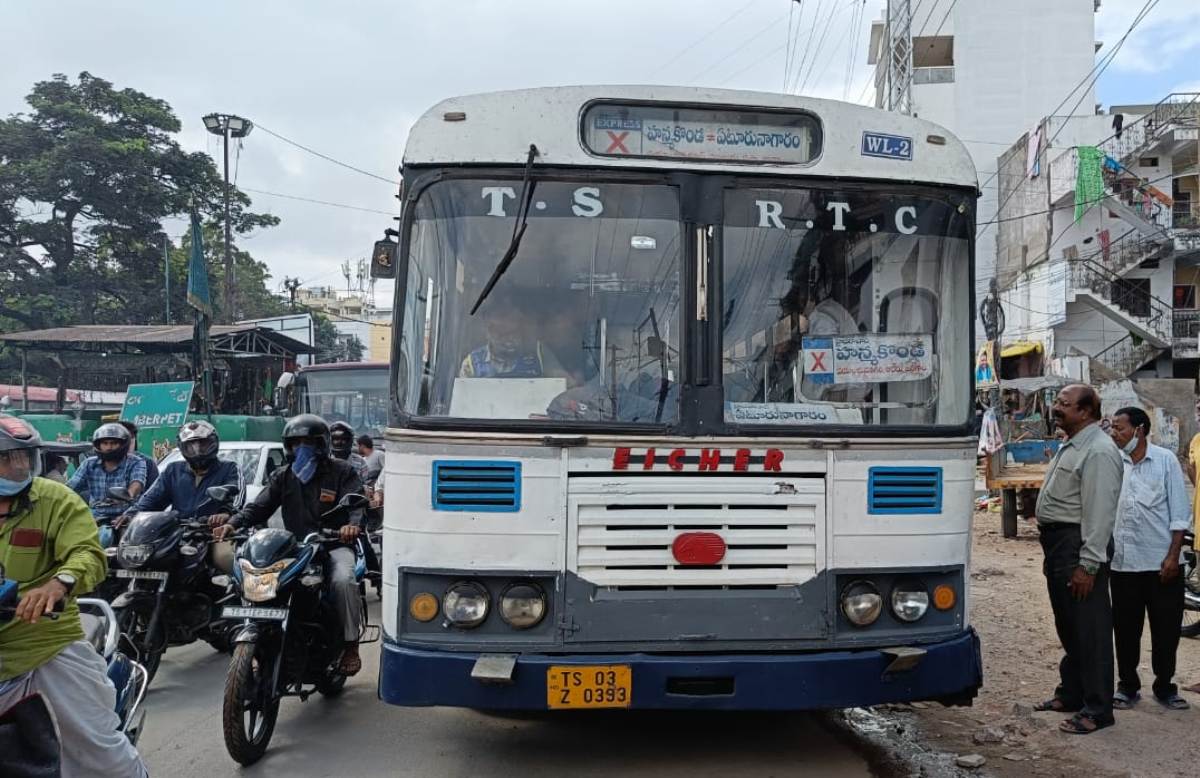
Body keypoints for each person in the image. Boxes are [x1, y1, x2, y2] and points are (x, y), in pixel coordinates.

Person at [0, 415, 149, 776]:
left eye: (24, 458)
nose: (19, 467)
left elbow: (87, 553)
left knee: (101, 753)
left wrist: (59, 583)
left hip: (44, 644)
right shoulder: (87, 472)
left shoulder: (54, 499)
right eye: (7, 459)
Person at [212, 415, 366, 675]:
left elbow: (358, 503)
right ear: (288, 446)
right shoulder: (282, 476)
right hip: (296, 548)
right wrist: (233, 524)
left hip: (333, 544)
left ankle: (351, 645)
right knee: (255, 579)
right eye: (296, 443)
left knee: (343, 580)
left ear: (322, 444)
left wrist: (351, 526)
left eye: (309, 442)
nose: (302, 449)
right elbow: (258, 507)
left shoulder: (342, 471)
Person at [1032, 384, 1123, 734]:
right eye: (1057, 402)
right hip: (1059, 546)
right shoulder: (1073, 443)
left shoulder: (1099, 451)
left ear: (1085, 412)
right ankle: (1072, 693)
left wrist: (1088, 564)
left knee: (1090, 629)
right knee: (1069, 625)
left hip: (1078, 548)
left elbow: (1100, 514)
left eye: (1064, 404)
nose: (1057, 408)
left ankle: (1098, 709)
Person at [1107, 407, 1191, 711]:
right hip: (1124, 564)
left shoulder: (1165, 461)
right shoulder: (1113, 461)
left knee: (1166, 631)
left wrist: (1172, 557)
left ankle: (1165, 687)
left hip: (1161, 565)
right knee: (1126, 629)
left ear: (1139, 430)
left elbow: (1180, 515)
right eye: (1113, 428)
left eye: (1119, 428)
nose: (1114, 434)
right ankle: (1127, 687)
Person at [130, 420, 241, 519]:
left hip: (216, 533)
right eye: (190, 446)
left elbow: (237, 497)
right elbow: (151, 499)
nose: (197, 450)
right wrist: (131, 515)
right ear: (182, 447)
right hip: (178, 532)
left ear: (214, 443)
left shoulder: (229, 468)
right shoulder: (173, 470)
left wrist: (226, 513)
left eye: (203, 444)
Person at [459, 301, 567, 378]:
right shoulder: (472, 363)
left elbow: (562, 384)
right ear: (488, 332)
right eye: (501, 333)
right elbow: (463, 402)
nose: (508, 339)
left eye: (512, 332)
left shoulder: (538, 353)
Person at [67, 423, 147, 523]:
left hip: (126, 515)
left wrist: (127, 495)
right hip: (96, 516)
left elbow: (137, 483)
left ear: (123, 444)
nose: (109, 447)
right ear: (98, 445)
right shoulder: (89, 463)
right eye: (105, 443)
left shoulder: (136, 462)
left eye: (113, 443)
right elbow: (70, 488)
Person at [117, 420, 159, 491]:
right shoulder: (102, 462)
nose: (126, 447)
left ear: (134, 440)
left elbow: (155, 492)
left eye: (130, 442)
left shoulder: (147, 463)